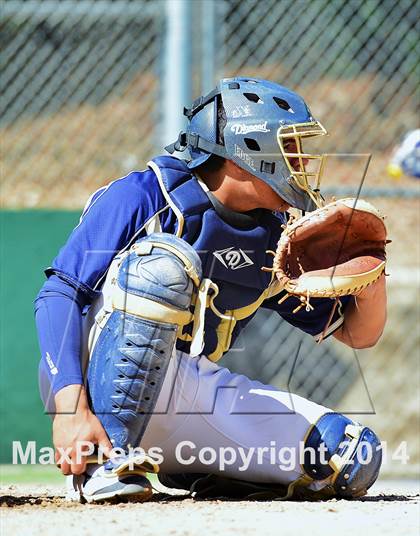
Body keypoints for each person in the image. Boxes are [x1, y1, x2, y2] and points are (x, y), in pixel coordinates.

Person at [35, 77, 386, 502]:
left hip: (184, 387)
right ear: (248, 150)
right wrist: (71, 410)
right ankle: (101, 462)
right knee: (162, 268)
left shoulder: (273, 236)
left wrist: (371, 279)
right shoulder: (145, 195)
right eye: (290, 147)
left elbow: (357, 333)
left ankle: (196, 468)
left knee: (348, 456)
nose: (302, 160)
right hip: (88, 376)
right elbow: (59, 296)